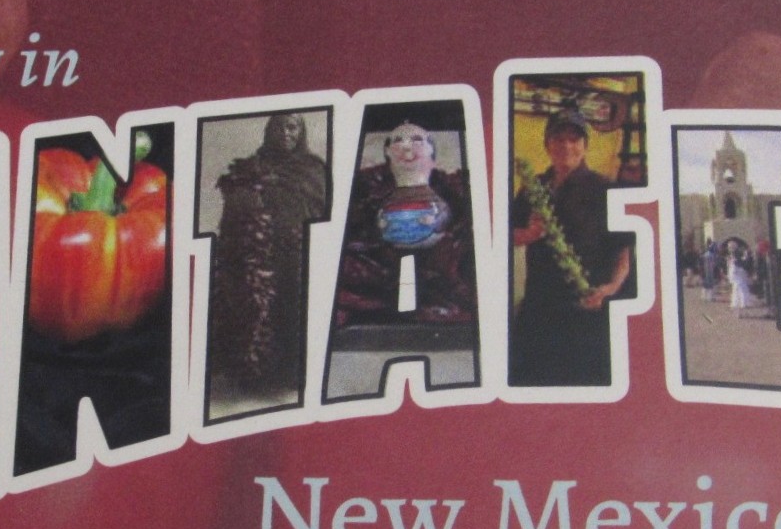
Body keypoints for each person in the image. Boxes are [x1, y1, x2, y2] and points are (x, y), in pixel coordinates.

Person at [511, 111, 632, 386]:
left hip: (585, 310)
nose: (566, 146)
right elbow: (508, 236)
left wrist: (612, 287)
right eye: (558, 139)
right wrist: (529, 234)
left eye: (574, 139)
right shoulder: (532, 188)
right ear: (547, 145)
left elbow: (623, 248)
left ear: (585, 146)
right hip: (538, 308)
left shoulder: (604, 189)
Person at [210, 112, 329, 392]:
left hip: (297, 252)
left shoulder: (313, 169)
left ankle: (292, 376)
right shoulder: (252, 166)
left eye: (292, 127)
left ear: (301, 132)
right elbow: (233, 204)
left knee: (293, 308)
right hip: (261, 254)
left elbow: (323, 209)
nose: (286, 133)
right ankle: (257, 377)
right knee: (260, 311)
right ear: (269, 130)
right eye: (280, 127)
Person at [333, 120, 476, 326]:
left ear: (431, 151)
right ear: (388, 152)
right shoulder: (366, 186)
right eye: (398, 141)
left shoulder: (450, 187)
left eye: (417, 140)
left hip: (436, 264)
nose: (407, 147)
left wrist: (440, 227)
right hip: (382, 266)